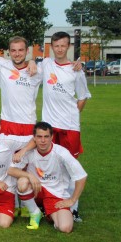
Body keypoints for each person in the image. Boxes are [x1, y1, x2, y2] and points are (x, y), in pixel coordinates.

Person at [39, 31, 91, 221]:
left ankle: (73, 207)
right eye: (56, 46)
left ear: (68, 46)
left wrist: (73, 115)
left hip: (70, 127)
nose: (60, 49)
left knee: (70, 167)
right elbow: (31, 65)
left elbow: (83, 96)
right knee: (52, 165)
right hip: (50, 127)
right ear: (51, 47)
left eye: (63, 45)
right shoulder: (46, 64)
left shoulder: (76, 70)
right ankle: (50, 202)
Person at [9, 122, 87, 233]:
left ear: (52, 137)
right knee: (22, 182)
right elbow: (10, 170)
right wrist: (29, 175)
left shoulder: (61, 153)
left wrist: (72, 200)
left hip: (55, 195)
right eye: (39, 137)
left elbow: (81, 176)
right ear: (34, 138)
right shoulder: (29, 152)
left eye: (46, 136)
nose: (43, 140)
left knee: (65, 228)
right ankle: (35, 212)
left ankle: (48, 212)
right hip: (36, 191)